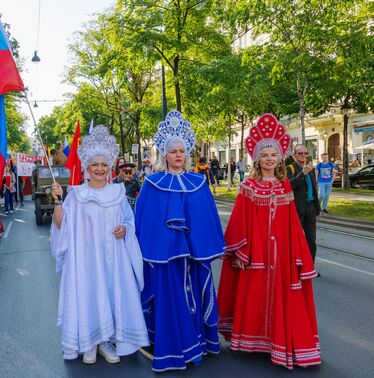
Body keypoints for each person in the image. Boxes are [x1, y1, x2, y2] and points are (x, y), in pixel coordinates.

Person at [217, 113, 320, 369]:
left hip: (282, 256)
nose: (269, 159)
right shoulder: (249, 187)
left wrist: (298, 254)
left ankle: (277, 341)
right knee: (253, 296)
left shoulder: (285, 186)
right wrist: (243, 253)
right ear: (257, 158)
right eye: (265, 155)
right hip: (257, 255)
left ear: (279, 158)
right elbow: (240, 223)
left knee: (281, 299)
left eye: (273, 155)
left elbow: (293, 225)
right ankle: (250, 340)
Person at [50, 125, 149, 365]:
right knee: (89, 294)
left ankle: (107, 341)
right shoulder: (76, 194)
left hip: (114, 259)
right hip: (85, 260)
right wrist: (57, 201)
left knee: (111, 294)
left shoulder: (117, 192)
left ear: (109, 167)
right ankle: (90, 342)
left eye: (104, 165)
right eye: (95, 164)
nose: (99, 169)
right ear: (87, 167)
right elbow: (62, 225)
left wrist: (124, 229)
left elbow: (128, 220)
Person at [135, 111, 226, 372]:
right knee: (171, 300)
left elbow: (207, 217)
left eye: (181, 151)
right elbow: (144, 220)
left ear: (186, 154)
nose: (178, 155)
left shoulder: (198, 182)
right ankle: (173, 348)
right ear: (164, 154)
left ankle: (198, 342)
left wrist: (202, 245)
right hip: (164, 258)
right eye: (173, 150)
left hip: (193, 257)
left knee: (195, 297)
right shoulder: (152, 183)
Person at [287, 145, 320, 263]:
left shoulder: (309, 169)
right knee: (296, 239)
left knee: (311, 239)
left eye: (305, 153)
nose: (303, 155)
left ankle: (310, 266)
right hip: (297, 208)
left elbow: (314, 189)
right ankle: (296, 265)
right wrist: (303, 173)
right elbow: (289, 185)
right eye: (300, 153)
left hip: (310, 207)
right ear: (295, 155)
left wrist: (318, 208)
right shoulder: (289, 168)